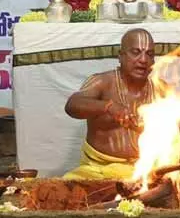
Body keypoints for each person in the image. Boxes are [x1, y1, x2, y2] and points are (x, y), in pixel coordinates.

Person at [63, 29, 157, 180]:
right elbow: (72, 105)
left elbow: (174, 139)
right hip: (98, 169)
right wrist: (108, 107)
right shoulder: (102, 82)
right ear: (120, 56)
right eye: (136, 52)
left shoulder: (162, 90)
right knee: (67, 190)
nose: (143, 60)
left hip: (145, 171)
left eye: (149, 54)